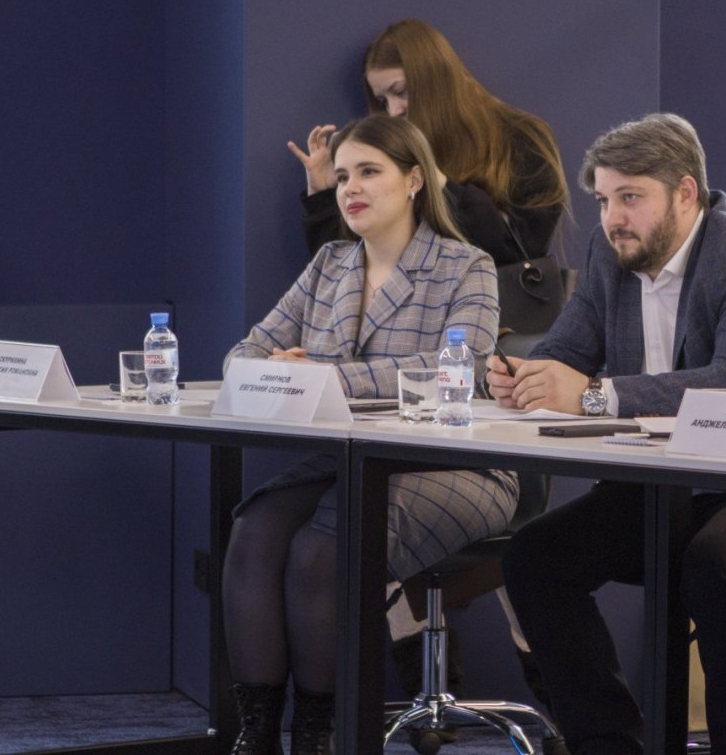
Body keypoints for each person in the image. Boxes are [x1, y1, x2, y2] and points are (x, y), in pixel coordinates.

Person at [487, 113, 726, 755]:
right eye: (604, 200)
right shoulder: (611, 251)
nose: (613, 218)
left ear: (686, 193)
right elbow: (565, 351)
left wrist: (594, 394)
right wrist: (518, 375)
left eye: (630, 197)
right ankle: (609, 744)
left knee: (717, 564)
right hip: (668, 485)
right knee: (535, 559)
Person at [221, 115, 517, 755]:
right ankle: (257, 735)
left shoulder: (465, 264)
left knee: (323, 550)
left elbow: (458, 369)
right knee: (254, 533)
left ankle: (316, 737)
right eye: (342, 177)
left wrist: (324, 375)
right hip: (348, 460)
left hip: (455, 465)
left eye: (369, 172)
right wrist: (272, 368)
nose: (350, 188)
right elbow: (244, 353)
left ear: (414, 180)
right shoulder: (330, 263)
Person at [289, 18, 568, 265]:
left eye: (401, 91)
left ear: (434, 81)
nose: (393, 111)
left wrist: (440, 183)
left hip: (497, 306)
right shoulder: (392, 155)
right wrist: (322, 194)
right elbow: (343, 272)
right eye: (382, 101)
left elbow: (522, 252)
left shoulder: (522, 139)